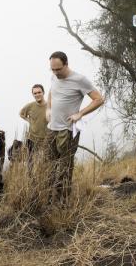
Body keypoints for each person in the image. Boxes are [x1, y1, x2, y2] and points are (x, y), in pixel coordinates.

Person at [45, 52, 104, 204]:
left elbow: (98, 99)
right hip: (52, 128)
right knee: (49, 165)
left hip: (67, 130)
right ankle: (47, 199)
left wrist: (80, 113)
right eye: (53, 69)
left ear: (66, 64)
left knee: (64, 167)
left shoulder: (79, 80)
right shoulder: (54, 77)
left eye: (58, 69)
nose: (56, 73)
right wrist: (48, 108)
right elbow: (51, 91)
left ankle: (62, 203)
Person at [20, 84, 48, 165]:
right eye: (35, 93)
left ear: (43, 92)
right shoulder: (30, 106)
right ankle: (30, 177)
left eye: (39, 92)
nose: (37, 95)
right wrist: (29, 120)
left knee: (44, 163)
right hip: (31, 139)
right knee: (30, 163)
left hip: (45, 140)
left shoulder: (49, 106)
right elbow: (21, 114)